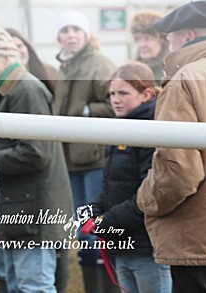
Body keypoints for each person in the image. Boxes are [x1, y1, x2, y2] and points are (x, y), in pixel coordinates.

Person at [0, 23, 73, 293]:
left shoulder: (25, 90)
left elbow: (35, 152)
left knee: (34, 287)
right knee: (21, 285)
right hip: (22, 208)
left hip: (34, 211)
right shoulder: (9, 89)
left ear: (6, 58)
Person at [137, 0, 206, 292]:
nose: (168, 48)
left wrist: (145, 199)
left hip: (203, 240)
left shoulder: (185, 81)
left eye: (169, 40)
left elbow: (178, 172)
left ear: (188, 36)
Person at [82, 62, 171, 293]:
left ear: (146, 94)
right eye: (112, 93)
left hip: (147, 249)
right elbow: (112, 187)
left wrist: (107, 220)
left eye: (123, 93)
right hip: (122, 245)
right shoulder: (119, 130)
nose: (115, 99)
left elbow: (150, 193)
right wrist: (94, 210)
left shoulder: (152, 130)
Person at [51, 10, 117, 293]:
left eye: (75, 30)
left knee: (95, 228)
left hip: (94, 158)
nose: (70, 36)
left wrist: (88, 111)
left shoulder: (99, 63)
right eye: (64, 31)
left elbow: (116, 102)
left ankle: (108, 286)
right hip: (70, 160)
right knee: (81, 229)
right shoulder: (64, 67)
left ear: (87, 34)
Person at [5, 26, 56, 94]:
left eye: (19, 46)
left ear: (27, 47)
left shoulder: (49, 71)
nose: (17, 51)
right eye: (11, 48)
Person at [128, 11, 168, 84]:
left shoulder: (170, 70)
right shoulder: (130, 70)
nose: (142, 45)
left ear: (162, 39)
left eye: (147, 39)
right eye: (138, 39)